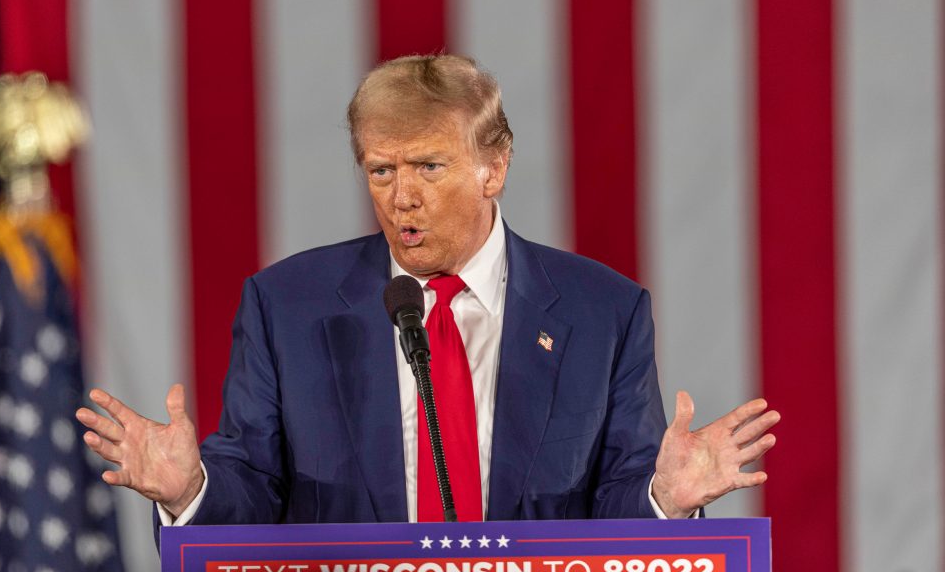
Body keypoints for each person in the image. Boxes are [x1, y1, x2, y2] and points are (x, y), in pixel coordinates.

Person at [76, 54, 778, 526]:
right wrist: (190, 490)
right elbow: (254, 488)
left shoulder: (604, 312)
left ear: (493, 168)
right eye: (381, 171)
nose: (401, 198)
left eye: (429, 166)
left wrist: (664, 498)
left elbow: (615, 508)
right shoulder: (287, 306)